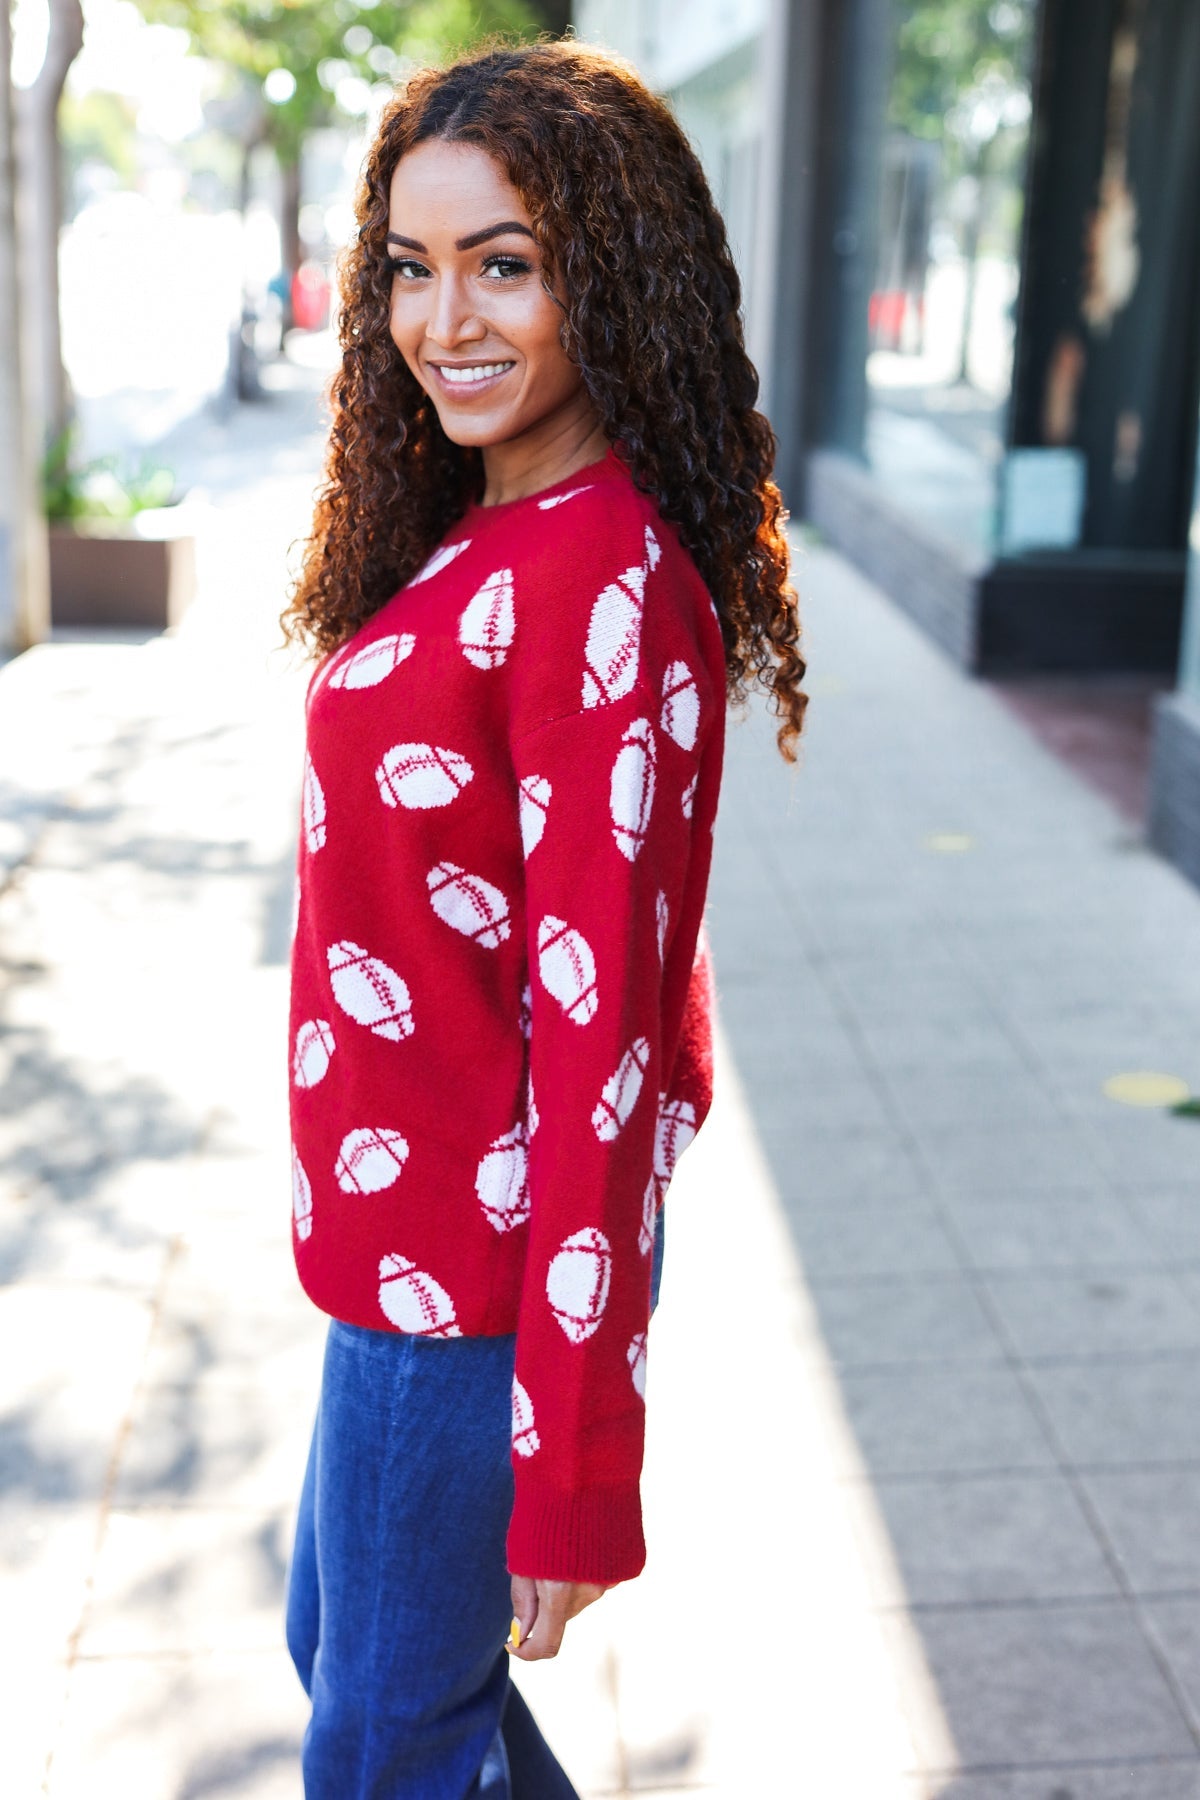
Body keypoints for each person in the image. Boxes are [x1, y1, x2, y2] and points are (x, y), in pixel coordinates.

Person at [279, 37, 806, 1800]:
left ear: (613, 266)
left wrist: (575, 1451)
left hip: (475, 1283)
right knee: (365, 1686)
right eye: (412, 271)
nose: (448, 321)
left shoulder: (601, 581)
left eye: (504, 262)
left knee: (380, 1739)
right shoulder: (496, 519)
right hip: (401, 1252)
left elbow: (612, 1043)